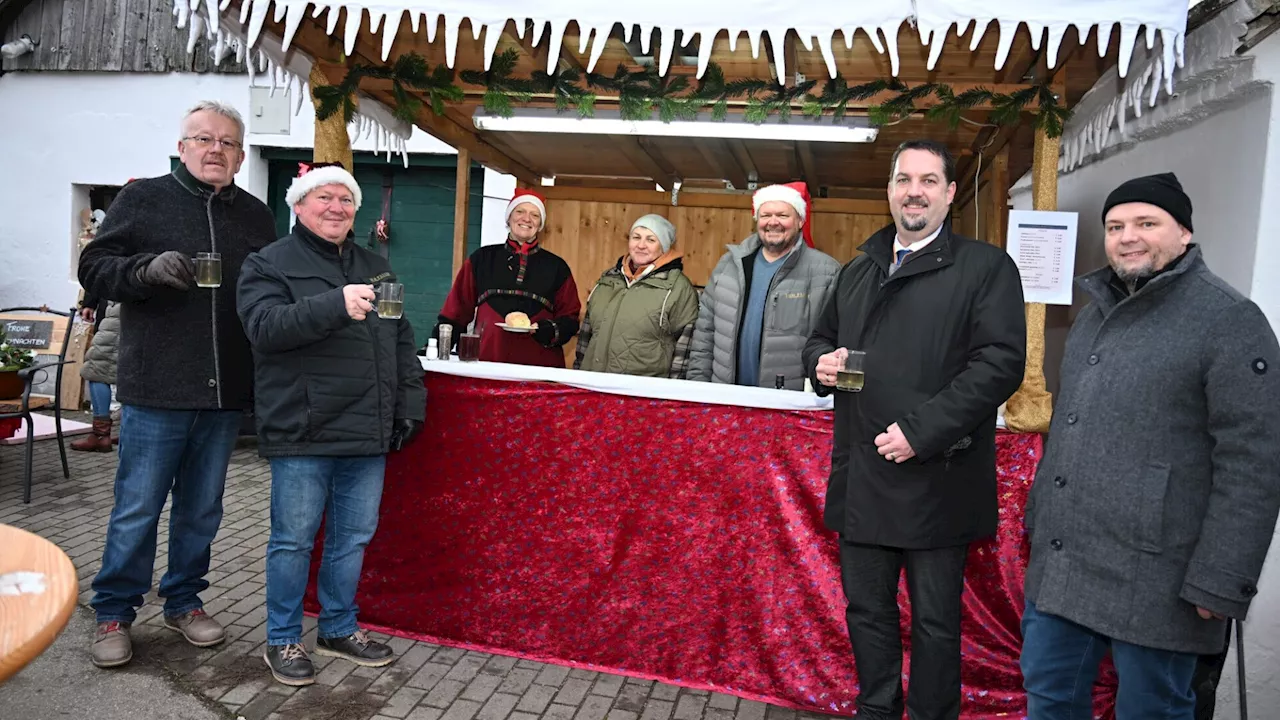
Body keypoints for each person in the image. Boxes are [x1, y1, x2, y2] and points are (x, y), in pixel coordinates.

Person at [1020, 173, 1280, 719]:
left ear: (1184, 232)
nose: (1127, 237)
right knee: (1050, 701)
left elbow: (1255, 462)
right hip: (1066, 563)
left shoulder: (1230, 321)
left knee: (1151, 710)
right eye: (1115, 226)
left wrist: (1222, 579)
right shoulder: (1092, 316)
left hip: (1160, 575)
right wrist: (1039, 523)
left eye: (1146, 223)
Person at [802, 139, 1026, 720]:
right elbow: (823, 339)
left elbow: (1000, 364)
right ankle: (877, 709)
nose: (914, 191)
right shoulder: (860, 268)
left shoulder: (985, 268)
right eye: (904, 179)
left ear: (950, 194)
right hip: (862, 477)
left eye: (929, 181)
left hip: (936, 476)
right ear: (890, 191)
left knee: (934, 622)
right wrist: (820, 366)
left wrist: (921, 431)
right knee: (866, 612)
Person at [78, 100, 276, 669]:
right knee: (138, 506)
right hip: (158, 385)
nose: (216, 149)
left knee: (202, 509)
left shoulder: (257, 216)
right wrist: (143, 271)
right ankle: (114, 610)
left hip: (223, 392)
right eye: (204, 139)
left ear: (240, 155)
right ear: (183, 146)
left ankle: (184, 601)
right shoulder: (143, 199)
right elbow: (94, 267)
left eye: (228, 143)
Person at [237, 163, 426, 686]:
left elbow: (400, 342)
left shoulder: (376, 265)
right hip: (303, 428)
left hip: (367, 429)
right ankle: (282, 638)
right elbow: (263, 328)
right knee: (293, 540)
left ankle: (339, 627)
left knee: (353, 538)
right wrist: (333, 304)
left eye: (346, 199)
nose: (337, 207)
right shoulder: (268, 263)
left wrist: (410, 405)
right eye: (325, 197)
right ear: (298, 206)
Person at [688, 182, 839, 390]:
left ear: (800, 221)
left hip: (786, 404)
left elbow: (831, 342)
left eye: (783, 215)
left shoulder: (826, 272)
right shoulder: (729, 266)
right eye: (766, 215)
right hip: (724, 397)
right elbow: (704, 335)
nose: (773, 222)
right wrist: (698, 388)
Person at [434, 189, 581, 366]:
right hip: (487, 360)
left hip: (539, 365)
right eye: (520, 211)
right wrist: (435, 349)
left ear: (540, 224)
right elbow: (455, 311)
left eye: (534, 215)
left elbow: (570, 319)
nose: (526, 219)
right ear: (509, 218)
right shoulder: (482, 258)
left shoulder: (557, 266)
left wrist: (550, 331)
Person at [574, 214, 699, 377]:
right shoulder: (607, 281)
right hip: (594, 385)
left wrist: (671, 393)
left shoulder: (677, 288)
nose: (641, 245)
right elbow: (586, 337)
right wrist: (578, 376)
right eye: (636, 237)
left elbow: (684, 351)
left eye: (651, 240)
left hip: (642, 393)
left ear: (664, 246)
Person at [71, 298, 120, 452]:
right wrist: (90, 303)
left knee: (97, 370)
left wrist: (90, 302)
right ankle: (129, 433)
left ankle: (100, 435)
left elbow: (103, 274)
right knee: (132, 372)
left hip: (118, 311)